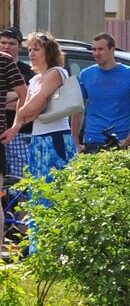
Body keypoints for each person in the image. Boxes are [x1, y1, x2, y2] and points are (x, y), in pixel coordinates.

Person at [0, 31, 77, 217]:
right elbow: (25, 103)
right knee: (38, 192)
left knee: (54, 193)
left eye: (36, 49)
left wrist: (26, 111)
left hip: (55, 138)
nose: (32, 54)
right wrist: (16, 126)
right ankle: (37, 242)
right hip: (38, 139)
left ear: (48, 52)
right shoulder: (35, 79)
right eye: (30, 49)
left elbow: (36, 105)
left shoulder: (56, 73)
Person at [73, 32, 130, 153]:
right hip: (92, 139)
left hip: (121, 140)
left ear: (112, 50)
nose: (96, 53)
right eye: (93, 49)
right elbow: (78, 110)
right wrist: (75, 141)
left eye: (100, 49)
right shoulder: (86, 74)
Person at [0, 27, 33, 181]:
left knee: (19, 179)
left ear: (20, 46)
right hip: (4, 130)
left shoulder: (28, 71)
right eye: (3, 43)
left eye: (11, 43)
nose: (6, 47)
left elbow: (30, 98)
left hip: (20, 132)